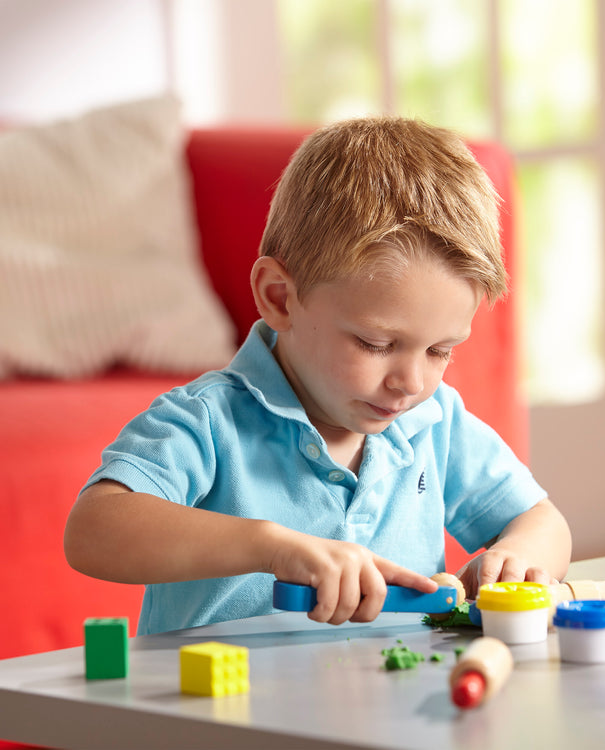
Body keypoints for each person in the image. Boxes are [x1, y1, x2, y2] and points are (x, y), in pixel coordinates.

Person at [64, 116, 571, 635]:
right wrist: (270, 547)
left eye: (441, 350)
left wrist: (516, 558)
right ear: (279, 298)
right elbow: (93, 530)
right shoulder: (209, 421)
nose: (413, 382)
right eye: (376, 344)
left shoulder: (434, 423)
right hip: (225, 712)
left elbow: (543, 523)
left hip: (387, 707)